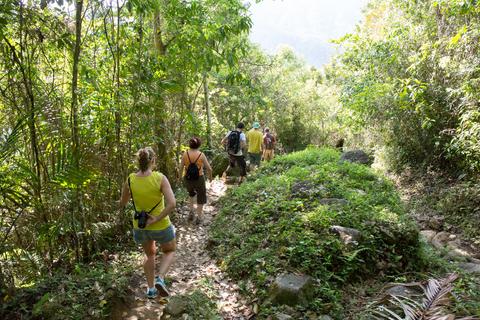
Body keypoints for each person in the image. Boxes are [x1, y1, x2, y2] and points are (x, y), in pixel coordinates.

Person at [119, 147, 176, 299]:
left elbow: (123, 202)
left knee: (149, 254)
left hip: (140, 225)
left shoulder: (130, 179)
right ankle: (161, 278)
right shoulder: (159, 178)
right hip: (160, 224)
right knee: (169, 250)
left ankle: (150, 289)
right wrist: (157, 218)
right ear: (153, 161)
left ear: (139, 162)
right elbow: (172, 203)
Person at [179, 137, 213, 224]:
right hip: (199, 178)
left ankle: (191, 212)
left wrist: (179, 178)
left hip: (188, 178)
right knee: (201, 197)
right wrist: (210, 178)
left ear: (190, 145)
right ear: (199, 145)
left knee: (191, 194)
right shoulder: (201, 155)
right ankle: (199, 216)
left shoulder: (185, 154)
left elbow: (181, 168)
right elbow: (209, 168)